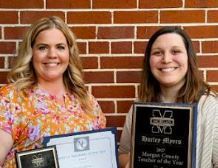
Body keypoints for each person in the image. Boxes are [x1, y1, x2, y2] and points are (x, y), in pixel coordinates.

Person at [0, 16, 106, 167]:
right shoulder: (11, 98)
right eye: (42, 47)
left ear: (69, 53)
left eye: (60, 47)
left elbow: (100, 156)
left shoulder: (87, 101)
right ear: (31, 53)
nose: (52, 54)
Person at [119, 26, 218, 168]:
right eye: (158, 53)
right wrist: (133, 162)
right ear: (149, 61)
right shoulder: (140, 104)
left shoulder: (210, 107)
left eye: (175, 51)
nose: (166, 59)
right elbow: (123, 153)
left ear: (189, 58)